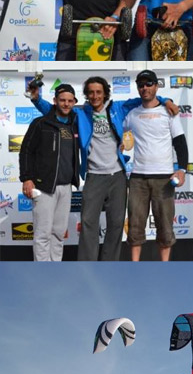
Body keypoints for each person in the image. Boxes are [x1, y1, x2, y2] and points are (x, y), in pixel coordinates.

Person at [29, 76, 177, 261]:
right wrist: (35, 99)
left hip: (118, 177)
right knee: (88, 223)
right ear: (86, 95)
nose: (95, 95)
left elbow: (145, 97)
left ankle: (109, 268)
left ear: (105, 93)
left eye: (98, 92)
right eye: (91, 92)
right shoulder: (81, 113)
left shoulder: (118, 108)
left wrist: (166, 100)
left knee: (116, 225)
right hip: (94, 177)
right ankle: (87, 267)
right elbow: (53, 110)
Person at [123, 70, 188, 261]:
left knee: (165, 227)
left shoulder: (169, 112)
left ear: (156, 86)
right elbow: (116, 132)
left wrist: (182, 169)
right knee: (135, 226)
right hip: (137, 178)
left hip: (164, 179)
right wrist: (118, 142)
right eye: (141, 85)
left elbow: (180, 143)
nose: (145, 88)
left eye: (149, 84)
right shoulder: (132, 114)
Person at [19, 84, 81, 261]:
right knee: (43, 234)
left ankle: (56, 272)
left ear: (74, 102)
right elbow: (26, 152)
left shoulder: (75, 124)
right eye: (62, 100)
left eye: (70, 101)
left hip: (66, 186)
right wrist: (27, 179)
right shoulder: (40, 123)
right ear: (55, 101)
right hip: (44, 186)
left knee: (58, 234)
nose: (66, 104)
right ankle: (43, 275)